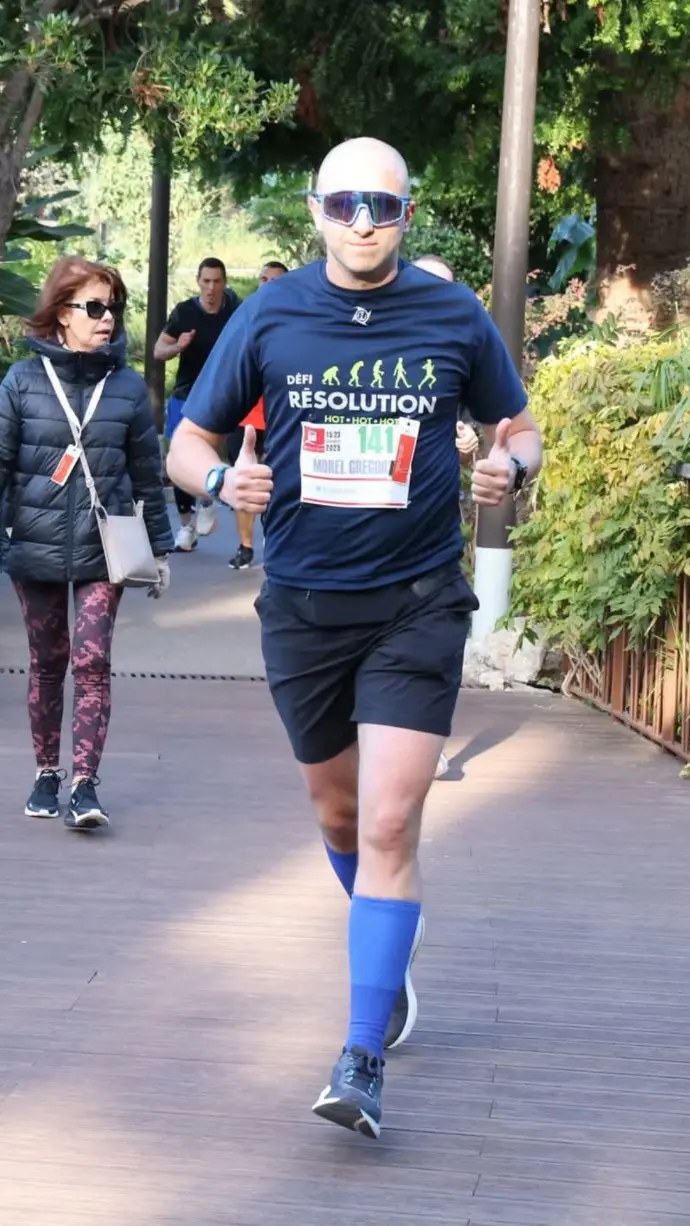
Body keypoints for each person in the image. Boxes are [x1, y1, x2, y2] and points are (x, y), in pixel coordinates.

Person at [167, 137, 542, 1139]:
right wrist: (221, 481)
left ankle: (361, 1052)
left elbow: (518, 426)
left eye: (381, 204)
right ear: (316, 210)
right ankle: (388, 942)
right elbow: (188, 442)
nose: (363, 220)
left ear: (407, 212)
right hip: (303, 607)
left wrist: (513, 467)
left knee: (388, 822)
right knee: (339, 817)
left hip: (417, 603)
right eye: (344, 204)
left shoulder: (452, 315)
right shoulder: (271, 315)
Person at [0, 256, 173, 830]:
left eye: (113, 308)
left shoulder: (126, 386)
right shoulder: (22, 381)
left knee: (93, 660)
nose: (107, 319)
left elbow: (146, 472)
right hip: (35, 543)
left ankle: (84, 785)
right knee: (48, 661)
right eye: (94, 307)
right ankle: (47, 773)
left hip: (105, 544)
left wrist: (160, 549)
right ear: (61, 313)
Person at [413, 255, 480, 780]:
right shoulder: (375, 343)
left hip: (434, 529)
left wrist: (473, 446)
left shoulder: (464, 348)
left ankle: (429, 738)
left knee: (437, 640)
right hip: (368, 528)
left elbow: (497, 429)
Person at [154, 257, 240, 552]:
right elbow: (158, 351)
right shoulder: (185, 312)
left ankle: (206, 499)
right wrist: (178, 346)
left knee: (208, 454)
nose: (211, 288)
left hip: (220, 394)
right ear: (198, 281)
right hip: (185, 394)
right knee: (176, 457)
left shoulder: (234, 311)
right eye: (206, 281)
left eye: (217, 281)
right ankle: (186, 527)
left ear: (224, 283)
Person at [227, 261, 288, 570]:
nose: (268, 284)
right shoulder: (245, 318)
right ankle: (246, 546)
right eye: (264, 279)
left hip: (283, 417)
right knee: (246, 479)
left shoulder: (300, 323)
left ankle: (277, 539)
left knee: (281, 485)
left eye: (276, 280)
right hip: (247, 419)